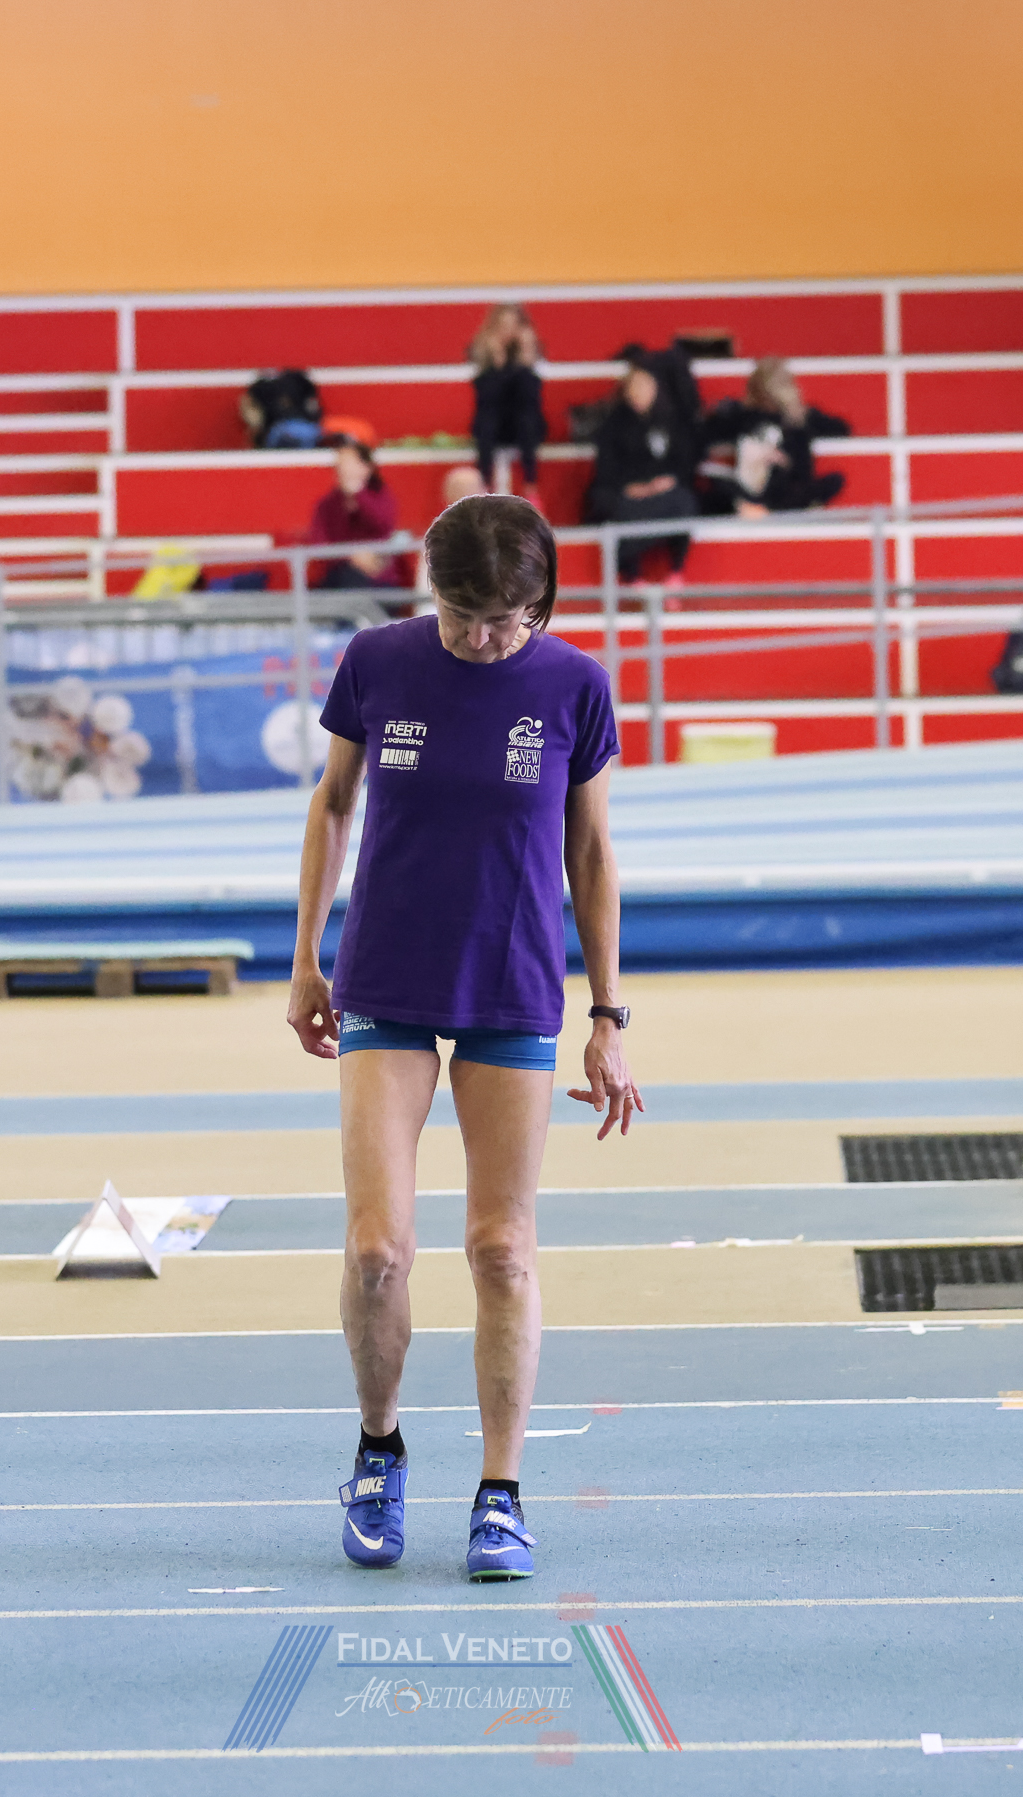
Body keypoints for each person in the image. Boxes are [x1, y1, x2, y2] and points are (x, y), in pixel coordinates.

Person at [287, 492, 642, 1585]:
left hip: (510, 981)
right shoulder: (377, 662)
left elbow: (592, 852)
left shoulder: (574, 684)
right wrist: (305, 958)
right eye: (459, 616)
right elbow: (332, 803)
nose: (479, 639)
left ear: (538, 605)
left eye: (501, 621)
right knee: (376, 1249)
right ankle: (378, 1450)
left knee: (501, 1248)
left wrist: (609, 1016)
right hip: (386, 976)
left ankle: (500, 1492)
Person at [585, 353, 699, 583]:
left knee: (684, 502)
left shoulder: (672, 421)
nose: (638, 392)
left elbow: (684, 464)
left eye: (645, 385)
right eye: (633, 386)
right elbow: (607, 471)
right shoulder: (613, 425)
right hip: (627, 495)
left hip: (664, 494)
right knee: (617, 510)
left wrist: (665, 483)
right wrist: (635, 488)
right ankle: (632, 575)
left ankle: (676, 572)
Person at [702, 358, 853, 516]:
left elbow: (841, 428)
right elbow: (707, 437)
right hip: (749, 489)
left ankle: (764, 508)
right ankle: (759, 507)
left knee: (831, 481)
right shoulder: (741, 416)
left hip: (783, 491)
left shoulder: (800, 419)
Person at [302, 435, 406, 590]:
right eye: (340, 462)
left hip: (379, 575)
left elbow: (383, 526)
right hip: (339, 575)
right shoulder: (326, 504)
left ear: (366, 467)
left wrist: (359, 496)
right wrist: (351, 555)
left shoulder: (382, 497)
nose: (343, 467)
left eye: (349, 462)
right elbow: (319, 544)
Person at [468, 304, 547, 500]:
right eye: (503, 326)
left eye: (513, 326)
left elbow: (530, 398)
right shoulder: (482, 353)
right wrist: (498, 361)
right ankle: (483, 485)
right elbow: (486, 399)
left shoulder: (532, 353)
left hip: (524, 422)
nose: (508, 332)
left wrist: (525, 360)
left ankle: (530, 485)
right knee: (488, 421)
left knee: (526, 419)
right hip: (494, 423)